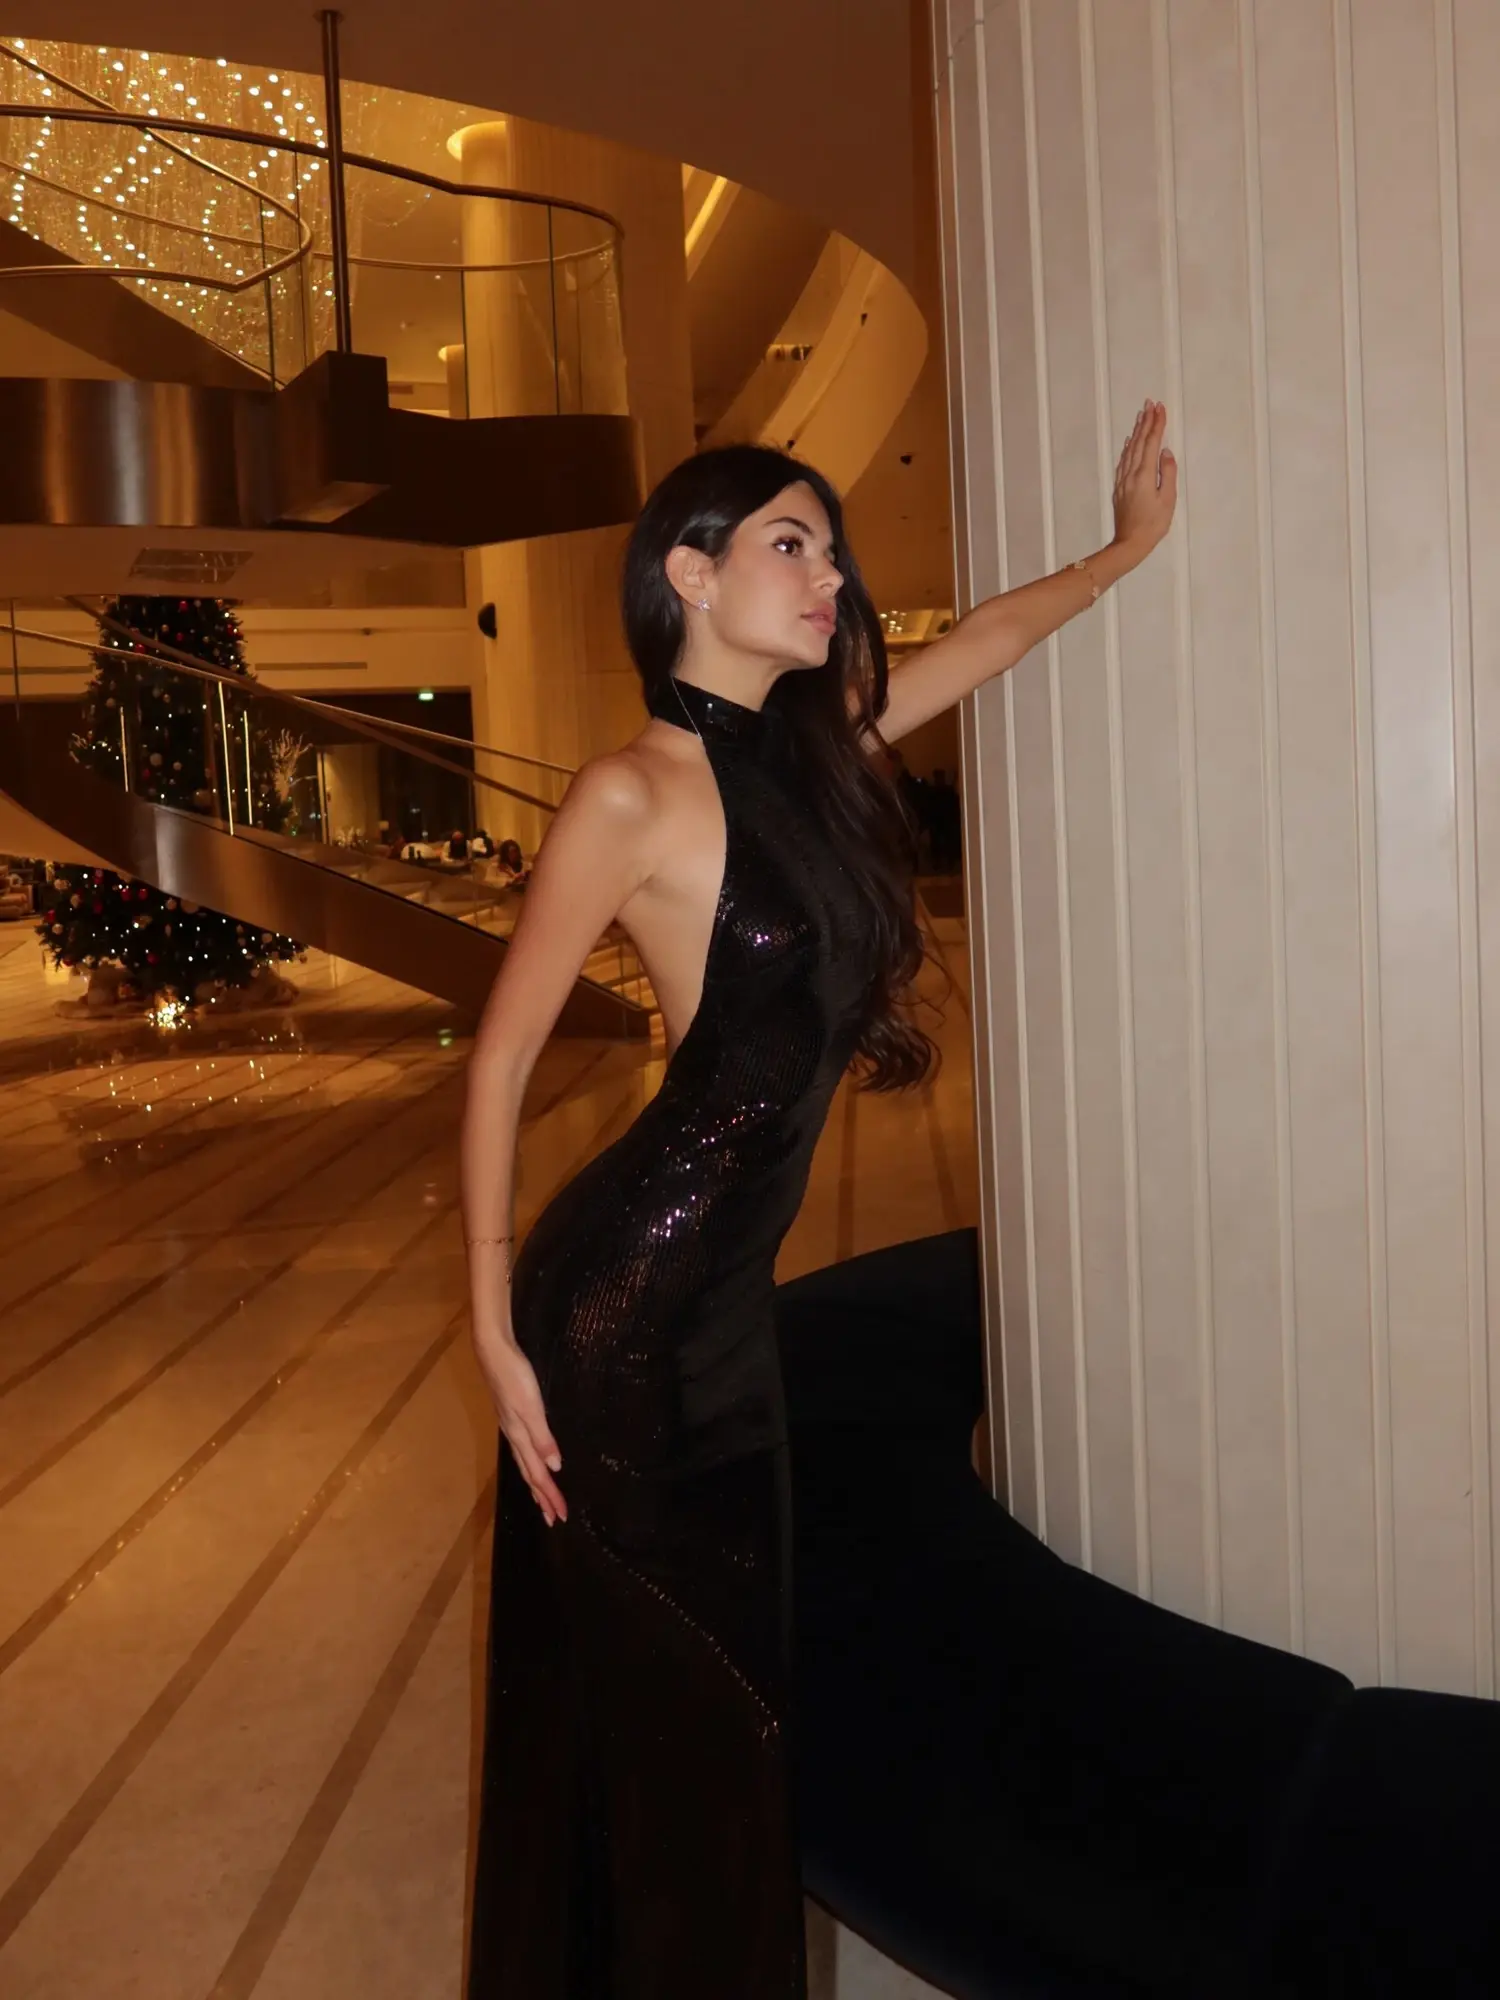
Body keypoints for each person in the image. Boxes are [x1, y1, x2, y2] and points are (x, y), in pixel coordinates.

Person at [462, 408, 1177, 1996]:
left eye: (832, 551)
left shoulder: (820, 754)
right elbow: (503, 1055)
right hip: (619, 1310)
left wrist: (1124, 552)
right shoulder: (629, 795)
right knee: (681, 1692)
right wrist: (493, 1322)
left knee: (737, 1684)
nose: (831, 578)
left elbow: (985, 638)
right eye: (792, 545)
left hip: (722, 1312)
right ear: (688, 573)